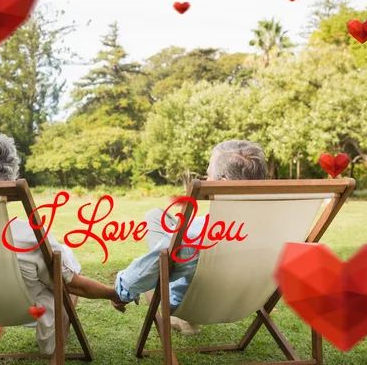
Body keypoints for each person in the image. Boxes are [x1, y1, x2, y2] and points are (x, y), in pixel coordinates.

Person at [0, 130, 123, 354]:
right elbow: (73, 284)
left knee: (60, 264)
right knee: (64, 267)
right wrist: (114, 294)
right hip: (24, 307)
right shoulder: (27, 237)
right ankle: (57, 338)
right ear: (7, 175)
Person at [112, 140, 268, 335]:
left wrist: (122, 290)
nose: (206, 177)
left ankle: (181, 318)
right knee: (156, 216)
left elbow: (143, 275)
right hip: (247, 302)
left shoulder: (194, 235)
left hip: (191, 304)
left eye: (209, 173)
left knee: (170, 249)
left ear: (222, 185)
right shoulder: (279, 228)